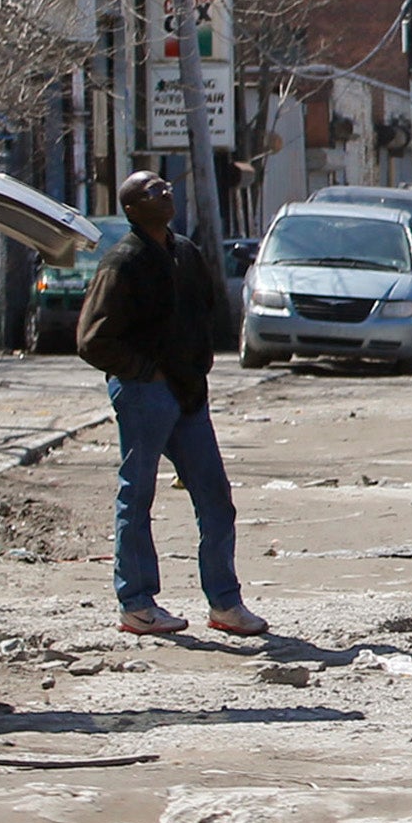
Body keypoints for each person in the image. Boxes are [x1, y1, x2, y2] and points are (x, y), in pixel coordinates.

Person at [75, 171, 266, 639]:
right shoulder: (123, 261)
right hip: (145, 395)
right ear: (133, 209)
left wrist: (199, 363)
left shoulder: (185, 253)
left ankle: (225, 603)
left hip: (187, 394)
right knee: (136, 496)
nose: (166, 193)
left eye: (166, 186)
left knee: (216, 497)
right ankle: (137, 604)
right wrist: (144, 371)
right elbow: (91, 340)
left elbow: (206, 309)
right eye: (153, 190)